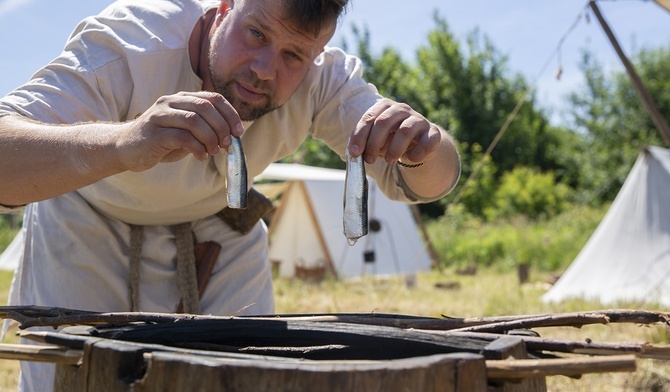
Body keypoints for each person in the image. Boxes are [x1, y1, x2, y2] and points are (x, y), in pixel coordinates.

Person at [0, 0, 460, 389]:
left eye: (294, 55)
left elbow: (425, 182)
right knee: (75, 380)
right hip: (87, 221)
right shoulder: (131, 45)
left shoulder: (323, 80)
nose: (265, 70)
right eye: (256, 33)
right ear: (223, 8)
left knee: (249, 375)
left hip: (221, 228)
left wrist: (422, 148)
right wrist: (125, 142)